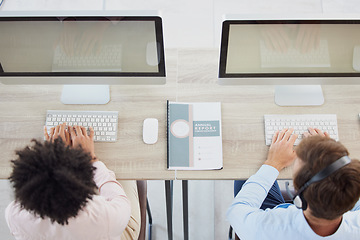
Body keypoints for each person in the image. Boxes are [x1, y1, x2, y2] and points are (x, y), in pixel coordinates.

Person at [5, 123, 140, 240]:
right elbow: (120, 200)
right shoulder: (106, 217)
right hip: (112, 230)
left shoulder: (14, 214)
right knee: (126, 180)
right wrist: (91, 158)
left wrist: (53, 154)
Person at [227, 127, 360, 239]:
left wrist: (274, 163)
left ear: (298, 191)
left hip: (278, 219)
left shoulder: (269, 227)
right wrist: (330, 156)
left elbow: (237, 210)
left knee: (251, 170)